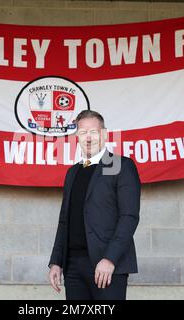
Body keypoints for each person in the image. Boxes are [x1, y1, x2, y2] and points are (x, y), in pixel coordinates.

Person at [48, 110, 141, 300]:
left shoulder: (120, 165)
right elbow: (64, 221)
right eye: (83, 133)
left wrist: (109, 259)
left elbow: (129, 217)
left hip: (107, 266)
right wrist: (56, 261)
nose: (88, 138)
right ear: (77, 137)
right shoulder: (72, 172)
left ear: (104, 134)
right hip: (73, 267)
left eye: (94, 132)